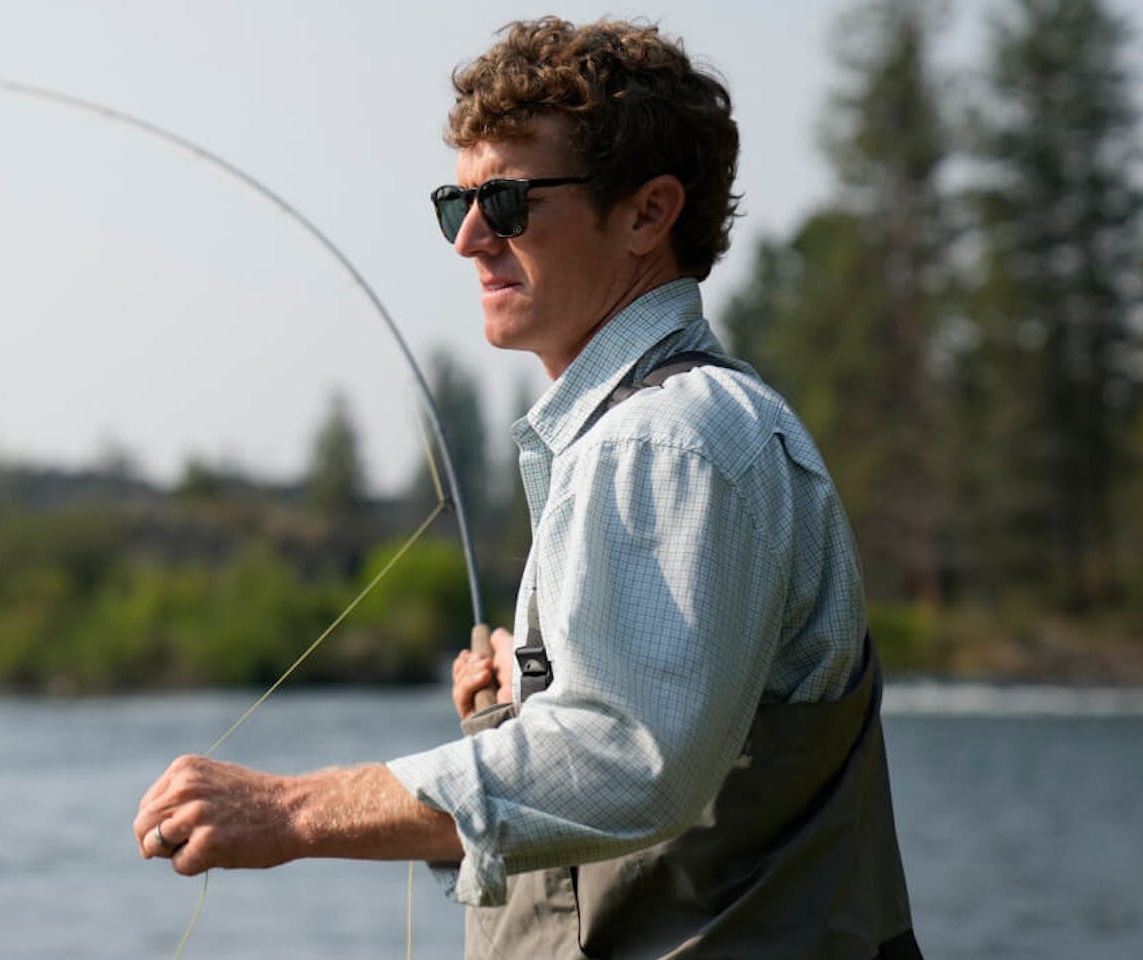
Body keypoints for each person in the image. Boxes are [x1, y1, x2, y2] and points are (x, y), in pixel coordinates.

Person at [134, 17, 922, 959]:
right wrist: (517, 723)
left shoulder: (665, 440)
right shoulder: (669, 428)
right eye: (454, 203)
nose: (469, 239)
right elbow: (647, 778)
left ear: (646, 213)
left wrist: (292, 811)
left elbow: (627, 762)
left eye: (506, 202)